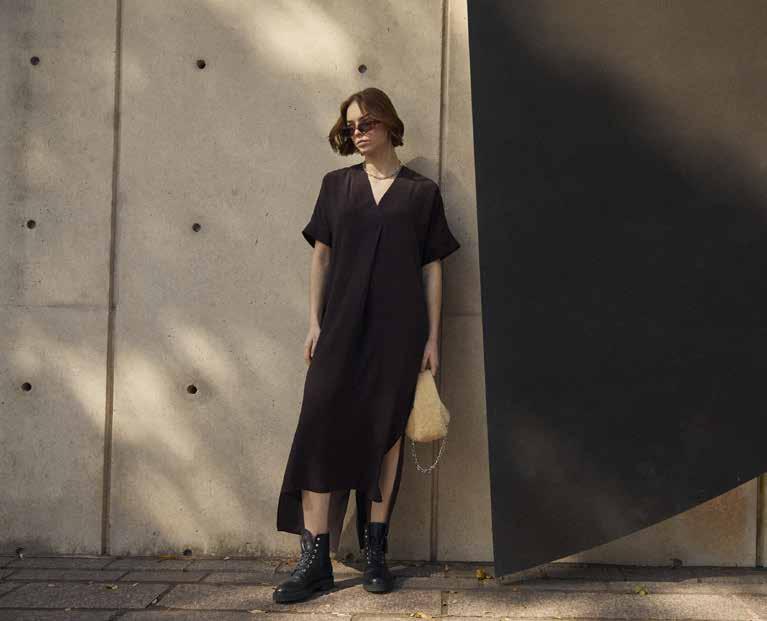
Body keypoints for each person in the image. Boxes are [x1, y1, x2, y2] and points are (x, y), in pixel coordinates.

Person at [273, 87, 461, 604]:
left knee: (387, 434)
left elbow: (432, 268)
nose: (357, 131)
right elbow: (321, 257)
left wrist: (433, 338)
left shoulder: (421, 193)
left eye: (367, 122)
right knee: (318, 427)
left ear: (390, 125)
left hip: (399, 332)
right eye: (351, 125)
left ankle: (376, 550)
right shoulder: (336, 186)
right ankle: (314, 560)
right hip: (338, 327)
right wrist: (314, 323)